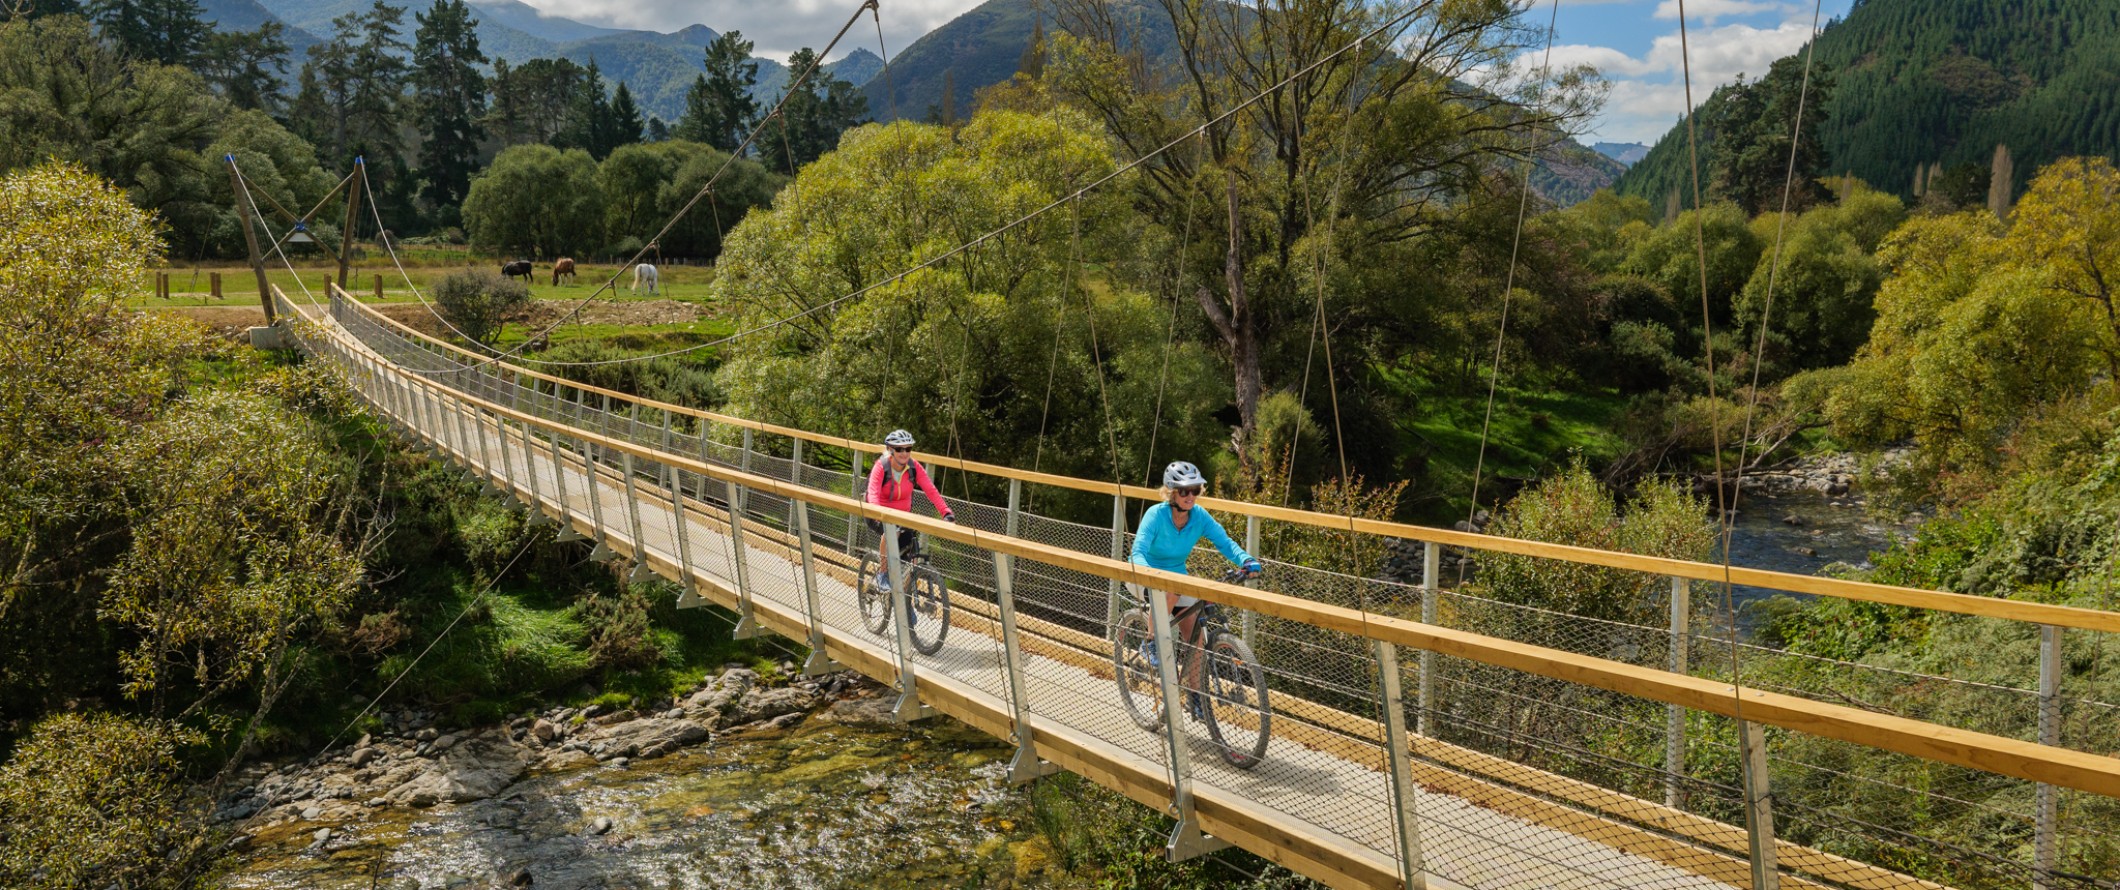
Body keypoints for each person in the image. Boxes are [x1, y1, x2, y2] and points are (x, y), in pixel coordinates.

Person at [1128, 461, 1263, 720]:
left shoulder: (1199, 516)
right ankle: (1151, 642)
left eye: (1195, 490)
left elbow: (1225, 543)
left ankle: (1195, 694)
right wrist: (1153, 574)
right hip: (1141, 575)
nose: (1190, 496)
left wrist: (1246, 560)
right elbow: (1138, 552)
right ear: (1171, 492)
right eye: (1184, 491)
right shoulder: (1156, 515)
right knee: (1170, 592)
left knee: (1196, 639)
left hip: (1178, 580)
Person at [865, 429, 954, 592]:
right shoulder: (882, 467)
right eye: (899, 449)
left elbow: (931, 490)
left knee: (912, 552)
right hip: (877, 512)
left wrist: (946, 512)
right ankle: (882, 574)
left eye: (908, 449)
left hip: (902, 515)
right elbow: (873, 492)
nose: (904, 453)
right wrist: (878, 514)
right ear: (890, 450)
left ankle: (906, 600)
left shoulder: (914, 467)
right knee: (890, 531)